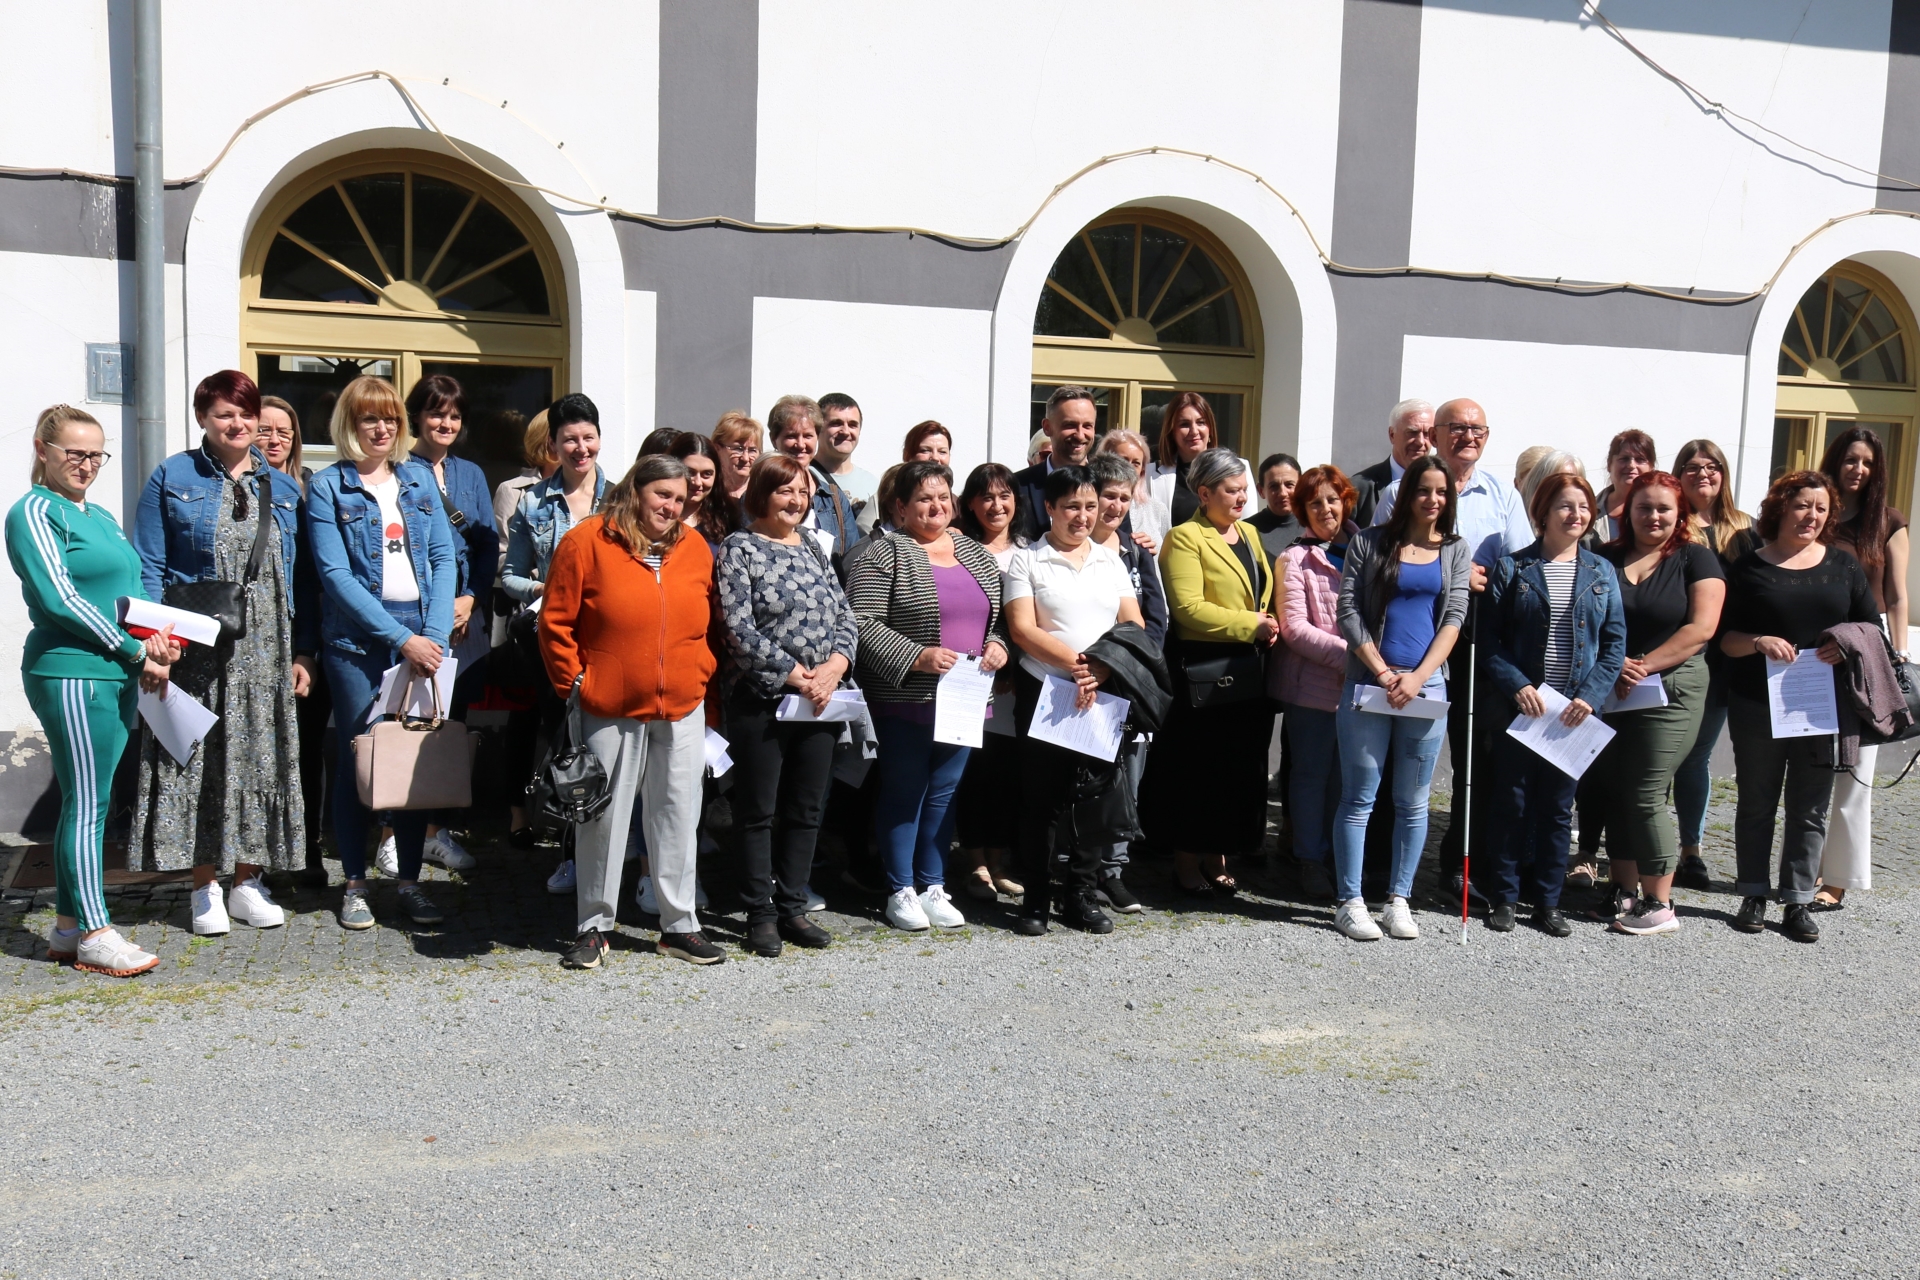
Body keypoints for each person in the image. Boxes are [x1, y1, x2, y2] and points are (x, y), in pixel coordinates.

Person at [129, 368, 308, 934]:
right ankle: (204, 884)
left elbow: (303, 580)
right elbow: (149, 566)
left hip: (267, 648)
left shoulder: (284, 487)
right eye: (225, 413)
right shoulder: (172, 475)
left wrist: (305, 652)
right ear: (203, 418)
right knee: (199, 756)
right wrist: (155, 645)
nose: (238, 423)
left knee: (259, 754)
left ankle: (248, 881)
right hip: (194, 645)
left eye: (246, 412)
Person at [10, 405, 179, 976]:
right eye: (73, 453)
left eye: (95, 454)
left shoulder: (99, 515)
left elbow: (127, 592)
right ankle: (94, 932)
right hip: (72, 671)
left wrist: (159, 641)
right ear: (43, 451)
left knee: (89, 802)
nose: (86, 464)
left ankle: (64, 928)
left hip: (115, 670)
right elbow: (60, 598)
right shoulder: (33, 511)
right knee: (89, 805)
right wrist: (134, 650)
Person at [542, 455, 722, 968]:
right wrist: (576, 682)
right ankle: (594, 926)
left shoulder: (694, 548)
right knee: (602, 817)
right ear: (635, 489)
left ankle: (679, 926)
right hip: (609, 705)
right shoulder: (587, 541)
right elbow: (555, 623)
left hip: (683, 703)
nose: (672, 506)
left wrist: (701, 670)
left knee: (678, 814)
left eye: (680, 498)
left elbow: (706, 622)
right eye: (662, 494)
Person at [303, 375, 458, 930]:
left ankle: (410, 883)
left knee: (413, 762)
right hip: (356, 643)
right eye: (370, 418)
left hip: (424, 637)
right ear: (350, 423)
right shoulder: (328, 486)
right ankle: (355, 884)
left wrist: (433, 637)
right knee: (359, 760)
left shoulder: (417, 478)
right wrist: (400, 640)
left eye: (390, 418)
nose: (382, 427)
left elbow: (444, 558)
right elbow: (335, 574)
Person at [1374, 398, 1533, 905]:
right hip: (1410, 646)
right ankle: (1379, 870)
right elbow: (1379, 559)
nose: (1468, 436)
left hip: (1476, 644)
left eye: (1477, 429)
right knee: (1392, 762)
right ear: (1434, 435)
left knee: (1476, 763)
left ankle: (1462, 867)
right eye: (1457, 428)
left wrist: (1481, 578)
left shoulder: (1502, 493)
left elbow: (1522, 565)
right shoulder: (1400, 491)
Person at [847, 460, 1010, 931]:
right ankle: (901, 889)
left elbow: (995, 618)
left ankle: (934, 885)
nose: (935, 507)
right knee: (904, 792)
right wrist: (916, 656)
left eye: (943, 497)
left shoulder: (973, 552)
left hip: (965, 697)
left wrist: (999, 645)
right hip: (907, 697)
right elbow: (861, 622)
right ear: (900, 507)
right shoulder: (884, 553)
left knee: (944, 793)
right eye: (923, 499)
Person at [1719, 470, 1879, 943]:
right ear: (1781, 508)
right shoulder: (1748, 568)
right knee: (1756, 803)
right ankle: (1752, 892)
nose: (1811, 515)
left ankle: (1796, 900)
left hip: (1820, 707)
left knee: (1810, 807)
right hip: (1756, 704)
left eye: (1821, 508)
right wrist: (1759, 641)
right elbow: (1724, 641)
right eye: (1802, 505)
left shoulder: (1844, 566)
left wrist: (1844, 644)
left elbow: (1872, 630)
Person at [714, 453, 854, 956]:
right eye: (784, 490)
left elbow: (844, 613)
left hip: (820, 701)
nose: (795, 500)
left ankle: (793, 905)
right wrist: (798, 677)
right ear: (762, 494)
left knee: (806, 807)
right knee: (757, 809)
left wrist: (835, 667)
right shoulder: (739, 548)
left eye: (802, 492)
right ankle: (759, 911)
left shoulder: (814, 548)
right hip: (764, 698)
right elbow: (737, 628)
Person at [1330, 455, 1471, 941]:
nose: (1433, 500)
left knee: (1412, 803)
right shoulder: (1369, 543)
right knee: (1358, 798)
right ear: (1406, 494)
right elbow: (1347, 611)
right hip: (1370, 684)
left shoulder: (1455, 549)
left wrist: (1418, 677)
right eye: (1424, 490)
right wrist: (1386, 672)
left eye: (1441, 493)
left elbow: (1454, 618)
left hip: (1426, 690)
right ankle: (1349, 901)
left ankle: (1399, 899)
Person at [1480, 473, 1626, 936]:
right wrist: (1516, 683)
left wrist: (1590, 694)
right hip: (1524, 710)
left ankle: (1548, 901)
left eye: (1583, 506)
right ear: (1542, 513)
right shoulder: (1513, 569)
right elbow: (1487, 640)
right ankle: (1503, 897)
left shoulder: (1601, 571)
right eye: (1565, 505)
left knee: (1559, 810)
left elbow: (1614, 643)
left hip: (1573, 714)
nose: (1576, 514)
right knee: (1512, 803)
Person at [1003, 466, 1145, 935]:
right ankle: (1037, 898)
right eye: (1072, 507)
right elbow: (1023, 628)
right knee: (1041, 800)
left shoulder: (1111, 561)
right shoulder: (1028, 560)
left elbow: (1134, 625)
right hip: (1046, 692)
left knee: (1093, 798)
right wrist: (1078, 665)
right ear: (1049, 508)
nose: (1083, 516)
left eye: (1090, 506)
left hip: (1100, 695)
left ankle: (1080, 893)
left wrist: (1102, 668)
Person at [1585, 471, 1725, 935]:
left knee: (1645, 791)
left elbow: (1700, 629)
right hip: (1613, 688)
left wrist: (1642, 665)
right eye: (1644, 507)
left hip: (1673, 687)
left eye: (1664, 508)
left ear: (1680, 512)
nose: (1654, 516)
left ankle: (1659, 901)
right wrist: (1614, 665)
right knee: (1616, 788)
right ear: (1628, 511)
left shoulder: (1695, 559)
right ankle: (1623, 889)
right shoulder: (1604, 556)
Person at [1142, 447, 1277, 896]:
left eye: (1244, 489)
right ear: (1204, 492)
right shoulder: (1185, 537)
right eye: (1231, 490)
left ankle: (1218, 855)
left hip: (1247, 672)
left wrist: (1268, 621)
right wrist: (1250, 624)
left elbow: (1258, 593)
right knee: (1197, 771)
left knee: (1236, 771)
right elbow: (1186, 609)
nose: (1242, 498)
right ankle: (1185, 862)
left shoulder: (1249, 535)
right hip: (1203, 673)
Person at [503, 394, 609, 893]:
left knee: (610, 747)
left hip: (611, 640)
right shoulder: (533, 502)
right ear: (554, 445)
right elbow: (509, 576)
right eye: (570, 439)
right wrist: (548, 590)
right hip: (558, 643)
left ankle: (612, 856)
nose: (580, 447)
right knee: (567, 750)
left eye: (588, 437)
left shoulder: (623, 497)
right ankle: (571, 854)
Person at [400, 373, 495, 875]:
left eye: (454, 415)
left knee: (448, 725)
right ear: (417, 415)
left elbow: (486, 546)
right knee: (404, 722)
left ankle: (437, 830)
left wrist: (471, 599)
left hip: (464, 620)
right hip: (414, 617)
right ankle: (397, 832)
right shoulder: (399, 468)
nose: (446, 423)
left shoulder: (470, 474)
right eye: (437, 413)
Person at [1815, 426, 1911, 909]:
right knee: (1810, 772)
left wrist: (1898, 655)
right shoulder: (1816, 513)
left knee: (1855, 773)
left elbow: (1895, 594)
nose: (1858, 469)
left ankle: (1837, 879)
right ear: (1835, 460)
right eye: (1851, 459)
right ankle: (1801, 867)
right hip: (1815, 657)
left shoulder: (1889, 521)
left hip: (1868, 658)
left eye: (1867, 462)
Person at [1669, 438, 1755, 891]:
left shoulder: (1745, 529)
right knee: (1659, 757)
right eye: (1693, 466)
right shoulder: (1670, 522)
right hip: (1673, 656)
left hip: (1726, 661)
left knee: (1697, 757)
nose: (1704, 473)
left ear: (1724, 474)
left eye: (1712, 466)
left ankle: (1691, 851)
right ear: (1679, 474)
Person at [1274, 465, 1360, 899]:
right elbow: (1294, 628)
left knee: (1349, 780)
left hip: (1364, 688)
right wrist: (1355, 657)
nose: (1326, 509)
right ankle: (1309, 859)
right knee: (1311, 775)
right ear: (1302, 510)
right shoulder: (1295, 558)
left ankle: (1341, 861)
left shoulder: (1367, 549)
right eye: (1315, 502)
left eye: (1333, 498)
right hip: (1314, 688)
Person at [259, 395, 334, 889]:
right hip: (256, 643)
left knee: (307, 751)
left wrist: (307, 647)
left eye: (284, 432)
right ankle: (258, 855)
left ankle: (307, 847)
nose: (275, 439)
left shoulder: (310, 491)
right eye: (265, 430)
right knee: (262, 752)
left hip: (310, 642)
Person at [1088, 451, 1167, 912]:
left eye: (1123, 498)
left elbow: (1155, 619)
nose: (1115, 506)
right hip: (1083, 679)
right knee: (1085, 780)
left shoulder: (1137, 550)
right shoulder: (1071, 546)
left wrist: (1128, 663)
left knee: (1128, 780)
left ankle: (1114, 871)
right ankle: (1076, 866)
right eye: (1106, 497)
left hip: (1129, 683)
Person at [950, 463, 1027, 901]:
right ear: (971, 503)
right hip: (974, 678)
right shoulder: (957, 548)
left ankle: (1000, 861)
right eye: (985, 497)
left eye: (1005, 496)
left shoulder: (1030, 550)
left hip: (1018, 681)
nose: (996, 506)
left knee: (1008, 773)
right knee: (977, 773)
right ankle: (975, 861)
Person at [493, 410, 555, 851]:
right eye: (555, 436)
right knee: (524, 719)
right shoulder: (516, 492)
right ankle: (516, 812)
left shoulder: (602, 494)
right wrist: (543, 582)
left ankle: (562, 812)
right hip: (529, 622)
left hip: (576, 627)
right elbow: (501, 560)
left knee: (564, 721)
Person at [1144, 392, 1254, 533]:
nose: (1194, 431)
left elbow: (1247, 525)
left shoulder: (1240, 468)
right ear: (1172, 431)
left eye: (1201, 422)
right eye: (1184, 424)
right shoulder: (1151, 474)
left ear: (1210, 429)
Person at [768, 395, 855, 561]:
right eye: (791, 436)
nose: (800, 445)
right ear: (774, 439)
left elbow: (850, 561)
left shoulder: (834, 498)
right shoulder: (760, 492)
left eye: (808, 436)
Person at [1011, 387, 1099, 540]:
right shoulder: (1018, 486)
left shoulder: (1107, 485)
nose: (1080, 435)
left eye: (1087, 426)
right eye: (1070, 425)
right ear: (1047, 427)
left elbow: (1120, 539)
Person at [1350, 398, 1434, 526]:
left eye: (1427, 433)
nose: (1421, 442)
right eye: (1412, 432)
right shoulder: (1358, 488)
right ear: (1392, 435)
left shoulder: (1443, 487)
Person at [818, 393, 879, 532]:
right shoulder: (803, 476)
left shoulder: (872, 484)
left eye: (852, 425)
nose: (845, 431)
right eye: (836, 423)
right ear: (818, 428)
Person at [1095, 427, 1162, 550]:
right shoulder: (1089, 504)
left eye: (1136, 463)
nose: (1129, 468)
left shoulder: (1157, 510)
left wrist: (1149, 553)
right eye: (1122, 460)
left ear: (1142, 470)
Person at [669, 431, 738, 544]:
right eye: (690, 472)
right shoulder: (659, 515)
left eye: (707, 474)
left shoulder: (728, 518)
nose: (697, 482)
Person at [1592, 430, 1657, 543]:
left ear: (1651, 467)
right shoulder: (1589, 511)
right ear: (1609, 465)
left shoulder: (1661, 511)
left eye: (1640, 459)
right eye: (1624, 459)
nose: (1631, 465)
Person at [1249, 452, 1305, 561]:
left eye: (1289, 485)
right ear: (1261, 491)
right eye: (1274, 486)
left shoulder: (1315, 526)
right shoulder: (1246, 531)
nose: (1283, 493)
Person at [711, 410, 763, 506]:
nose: (745, 458)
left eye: (752, 450)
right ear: (717, 449)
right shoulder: (707, 492)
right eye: (738, 449)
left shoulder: (763, 495)